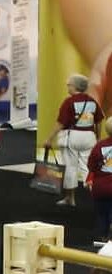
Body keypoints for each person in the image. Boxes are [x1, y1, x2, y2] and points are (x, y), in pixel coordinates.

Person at [44, 72, 103, 207]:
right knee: (88, 169)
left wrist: (49, 138)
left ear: (75, 86)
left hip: (72, 137)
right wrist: (97, 137)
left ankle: (70, 198)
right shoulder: (92, 101)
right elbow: (99, 121)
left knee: (70, 168)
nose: (67, 87)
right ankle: (98, 198)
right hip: (89, 137)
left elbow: (61, 123)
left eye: (69, 85)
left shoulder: (69, 102)